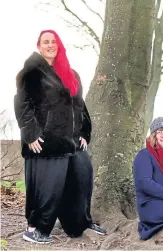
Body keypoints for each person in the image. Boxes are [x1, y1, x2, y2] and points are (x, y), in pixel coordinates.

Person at [14, 30, 105, 244]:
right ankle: (37, 229)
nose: (50, 45)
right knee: (48, 187)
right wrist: (31, 134)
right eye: (46, 42)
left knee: (83, 176)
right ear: (39, 46)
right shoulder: (31, 71)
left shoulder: (70, 73)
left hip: (72, 142)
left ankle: (79, 223)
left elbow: (80, 106)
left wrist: (84, 132)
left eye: (54, 41)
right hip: (46, 142)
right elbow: (21, 103)